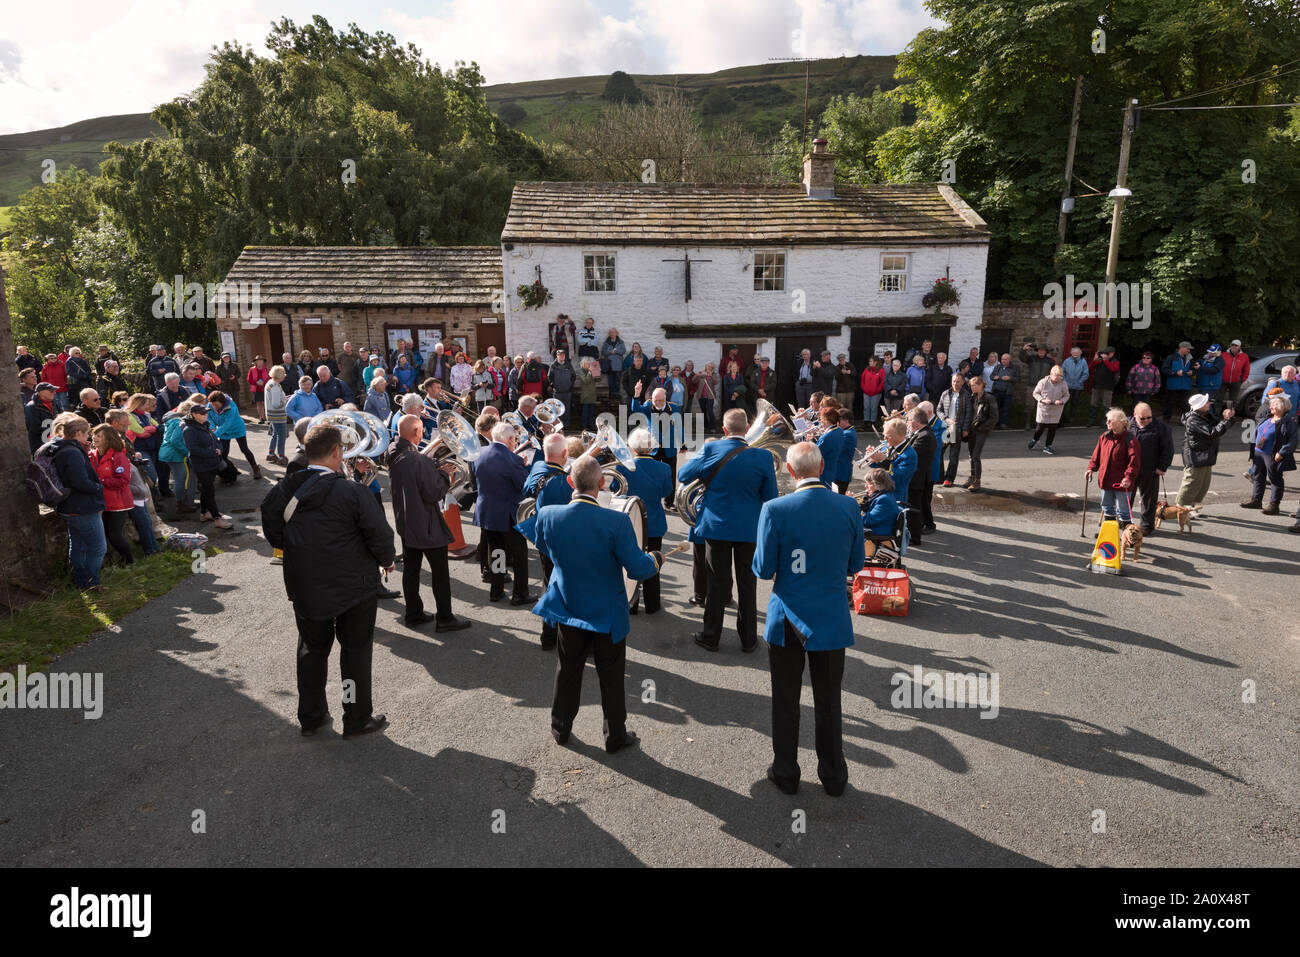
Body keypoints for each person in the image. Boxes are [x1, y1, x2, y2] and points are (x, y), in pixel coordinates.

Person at [261, 423, 397, 738]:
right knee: (355, 653)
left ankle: (311, 715)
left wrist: (299, 550)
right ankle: (356, 717)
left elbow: (273, 531)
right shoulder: (351, 491)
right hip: (354, 587)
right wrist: (386, 561)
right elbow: (379, 535)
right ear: (337, 452)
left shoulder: (283, 489)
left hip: (305, 585)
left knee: (311, 649)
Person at [532, 454, 661, 752]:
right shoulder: (615, 521)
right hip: (606, 611)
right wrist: (655, 558)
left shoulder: (548, 514)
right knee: (611, 676)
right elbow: (638, 569)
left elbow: (542, 546)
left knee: (567, 670)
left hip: (568, 604)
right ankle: (615, 736)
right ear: (603, 484)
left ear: (569, 482)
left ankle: (560, 728)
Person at [754, 441, 862, 796]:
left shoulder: (775, 508)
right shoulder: (848, 506)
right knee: (829, 701)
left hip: (788, 617)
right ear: (822, 466)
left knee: (785, 699)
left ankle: (785, 772)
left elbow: (763, 567)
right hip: (830, 616)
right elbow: (856, 565)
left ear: (789, 471)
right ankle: (833, 776)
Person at [678, 408, 778, 653]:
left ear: (724, 430)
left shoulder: (712, 449)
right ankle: (749, 640)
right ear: (747, 429)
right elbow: (770, 497)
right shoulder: (764, 457)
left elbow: (682, 474)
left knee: (716, 583)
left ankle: (711, 637)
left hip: (717, 527)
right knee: (747, 584)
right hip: (748, 529)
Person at [387, 414, 472, 631]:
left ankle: (413, 613)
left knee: (412, 570)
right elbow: (433, 492)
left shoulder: (393, 451)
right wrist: (444, 475)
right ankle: (445, 618)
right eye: (421, 430)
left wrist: (431, 467)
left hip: (406, 521)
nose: (423, 433)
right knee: (440, 574)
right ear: (415, 432)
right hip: (426, 524)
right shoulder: (417, 460)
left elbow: (415, 480)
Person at [523, 433, 575, 648]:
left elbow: (527, 489)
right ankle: (564, 636)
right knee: (568, 589)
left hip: (544, 538)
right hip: (566, 542)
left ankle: (548, 636)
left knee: (548, 583)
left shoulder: (537, 468)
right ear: (564, 454)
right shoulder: (564, 482)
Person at [616, 428, 673, 616]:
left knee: (629, 562)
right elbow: (666, 493)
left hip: (630, 520)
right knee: (654, 561)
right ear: (652, 448)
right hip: (654, 521)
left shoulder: (622, 466)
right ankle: (652, 603)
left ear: (632, 448)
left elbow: (617, 491)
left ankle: (631, 603)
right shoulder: (664, 468)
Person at [475, 421, 533, 604]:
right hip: (507, 512)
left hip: (487, 510)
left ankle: (496, 590)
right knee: (519, 554)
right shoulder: (513, 459)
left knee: (496, 552)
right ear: (509, 439)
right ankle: (520, 594)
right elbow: (523, 487)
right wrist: (522, 467)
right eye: (514, 439)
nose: (515, 442)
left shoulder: (479, 453)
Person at [49, 413, 107, 589]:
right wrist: (98, 487)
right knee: (98, 548)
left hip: (69, 506)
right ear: (79, 433)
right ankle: (90, 582)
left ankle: (80, 580)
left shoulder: (61, 447)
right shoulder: (72, 452)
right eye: (87, 433)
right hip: (81, 507)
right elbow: (80, 481)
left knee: (79, 546)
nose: (89, 436)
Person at [1176, 393, 1236, 508]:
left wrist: (1228, 418)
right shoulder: (1193, 419)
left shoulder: (1205, 415)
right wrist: (1226, 420)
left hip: (1205, 453)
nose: (1209, 403)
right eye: (1206, 402)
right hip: (1195, 454)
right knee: (1191, 481)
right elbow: (1213, 433)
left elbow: (1220, 425)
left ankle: (1191, 506)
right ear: (1200, 405)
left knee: (1203, 483)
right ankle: (1182, 507)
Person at [89, 423, 136, 566]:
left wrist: (100, 481)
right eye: (94, 435)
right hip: (100, 502)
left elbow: (122, 480)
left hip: (118, 503)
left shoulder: (118, 457)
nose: (94, 438)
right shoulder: (91, 455)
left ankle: (129, 561)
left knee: (114, 535)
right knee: (102, 535)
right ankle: (112, 561)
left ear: (108, 439)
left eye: (99, 436)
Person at [1242, 394, 1297, 515]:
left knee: (1275, 479)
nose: (1271, 407)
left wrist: (1282, 452)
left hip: (1272, 454)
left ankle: (1274, 505)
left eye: (1274, 406)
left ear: (1282, 408)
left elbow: (1293, 441)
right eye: (1271, 405)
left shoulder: (1288, 422)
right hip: (1259, 453)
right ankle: (1256, 500)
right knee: (1258, 476)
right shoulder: (1268, 418)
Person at [181, 404, 233, 529]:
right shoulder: (189, 430)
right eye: (202, 413)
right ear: (193, 415)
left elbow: (215, 440)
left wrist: (219, 448)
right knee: (209, 491)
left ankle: (204, 513)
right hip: (201, 464)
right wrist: (213, 452)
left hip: (212, 463)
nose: (205, 415)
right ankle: (217, 518)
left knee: (206, 489)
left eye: (206, 412)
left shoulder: (205, 425)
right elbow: (193, 449)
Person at [1086, 409, 1141, 526]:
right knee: (1107, 507)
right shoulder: (1104, 437)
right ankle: (1110, 537)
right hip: (1105, 479)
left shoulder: (1130, 439)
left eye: (1110, 420)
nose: (1107, 423)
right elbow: (1096, 455)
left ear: (1121, 422)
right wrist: (1091, 468)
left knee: (1124, 512)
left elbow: (1134, 461)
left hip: (1122, 482)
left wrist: (1128, 477)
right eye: (1107, 420)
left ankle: (1127, 539)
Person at [631, 383, 681, 509]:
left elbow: (679, 426)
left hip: (669, 447)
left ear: (665, 398)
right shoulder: (648, 406)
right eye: (655, 400)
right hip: (653, 448)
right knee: (652, 475)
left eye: (660, 400)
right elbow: (636, 409)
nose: (658, 403)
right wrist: (637, 394)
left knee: (670, 475)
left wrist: (683, 443)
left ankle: (669, 502)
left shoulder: (674, 408)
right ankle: (653, 500)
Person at [1128, 402, 1173, 534]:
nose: (1147, 420)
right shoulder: (1126, 425)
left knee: (1149, 499)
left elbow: (1168, 449)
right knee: (1126, 498)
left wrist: (1162, 466)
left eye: (1149, 417)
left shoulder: (1161, 428)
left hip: (1150, 469)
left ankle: (1147, 526)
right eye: (1143, 418)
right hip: (1129, 470)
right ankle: (1124, 522)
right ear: (1135, 415)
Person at [208, 390, 262, 481]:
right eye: (213, 404)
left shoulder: (231, 407)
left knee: (244, 449)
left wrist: (213, 435)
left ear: (223, 402)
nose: (214, 407)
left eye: (216, 405)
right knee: (223, 453)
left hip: (237, 429)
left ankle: (255, 468)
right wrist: (212, 426)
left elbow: (227, 425)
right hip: (223, 431)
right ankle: (231, 470)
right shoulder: (210, 405)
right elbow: (208, 417)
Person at [903, 408, 935, 546]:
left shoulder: (925, 436)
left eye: (909, 420)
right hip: (916, 477)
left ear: (915, 422)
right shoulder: (920, 433)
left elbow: (910, 454)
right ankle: (912, 534)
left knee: (913, 510)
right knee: (913, 508)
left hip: (917, 478)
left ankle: (914, 538)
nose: (908, 423)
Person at [158, 398, 196, 511]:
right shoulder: (180, 422)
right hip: (175, 454)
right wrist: (187, 451)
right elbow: (175, 440)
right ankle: (181, 503)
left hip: (168, 453)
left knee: (179, 478)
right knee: (181, 479)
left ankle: (181, 501)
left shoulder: (173, 420)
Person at [937, 373, 972, 486]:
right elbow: (939, 410)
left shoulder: (966, 395)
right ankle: (939, 476)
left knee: (953, 455)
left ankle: (949, 478)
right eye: (953, 381)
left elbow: (968, 413)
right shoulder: (945, 394)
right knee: (939, 452)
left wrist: (966, 428)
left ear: (962, 382)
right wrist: (946, 419)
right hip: (945, 427)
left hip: (958, 429)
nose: (955, 384)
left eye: (957, 381)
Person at [965, 376, 997, 492]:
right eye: (971, 385)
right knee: (971, 456)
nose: (972, 388)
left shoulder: (989, 398)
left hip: (981, 431)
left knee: (975, 456)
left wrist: (982, 428)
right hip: (972, 430)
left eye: (974, 385)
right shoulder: (973, 397)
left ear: (981, 385)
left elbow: (994, 418)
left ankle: (977, 481)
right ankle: (972, 477)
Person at [1028, 365, 1070, 454]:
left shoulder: (1063, 383)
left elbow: (1066, 395)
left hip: (1056, 410)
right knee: (1040, 428)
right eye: (1056, 376)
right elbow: (1035, 393)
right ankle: (1035, 439)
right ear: (1051, 374)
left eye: (1060, 376)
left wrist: (1061, 401)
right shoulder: (1043, 382)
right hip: (1044, 409)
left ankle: (1048, 446)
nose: (1058, 378)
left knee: (1052, 428)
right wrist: (1042, 400)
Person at [1019, 341, 1055, 428]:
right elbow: (1022, 358)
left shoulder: (1050, 361)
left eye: (1042, 350)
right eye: (1039, 350)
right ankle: (1027, 423)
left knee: (1042, 406)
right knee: (1029, 405)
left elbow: (1054, 373)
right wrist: (1023, 350)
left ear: (1046, 351)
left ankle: (1039, 423)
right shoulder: (1032, 358)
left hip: (1045, 387)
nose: (1041, 352)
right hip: (1032, 385)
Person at [862, 468, 901, 537]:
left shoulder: (884, 499)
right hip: (875, 528)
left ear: (878, 485)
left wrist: (853, 505)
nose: (865, 486)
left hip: (878, 531)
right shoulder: (880, 496)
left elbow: (868, 521)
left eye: (869, 484)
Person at [1162, 342, 1196, 421]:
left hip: (1185, 385)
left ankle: (1185, 420)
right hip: (1173, 385)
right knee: (1169, 403)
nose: (1189, 351)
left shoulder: (1190, 359)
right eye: (1188, 349)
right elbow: (1164, 369)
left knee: (1185, 403)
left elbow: (1194, 369)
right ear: (1182, 348)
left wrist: (1192, 372)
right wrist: (1175, 373)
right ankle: (1166, 419)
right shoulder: (1171, 357)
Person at [1086, 347, 1120, 427]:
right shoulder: (1099, 361)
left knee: (1106, 405)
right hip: (1096, 386)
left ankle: (1105, 422)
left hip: (1108, 387)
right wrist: (1094, 360)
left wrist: (1106, 361)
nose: (1105, 355)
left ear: (1112, 353)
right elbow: (1089, 369)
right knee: (1094, 404)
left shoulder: (1115, 361)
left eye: (1107, 353)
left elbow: (1113, 369)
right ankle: (1091, 420)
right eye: (1104, 353)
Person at [264, 366, 290, 465]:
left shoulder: (270, 383)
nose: (284, 376)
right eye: (283, 374)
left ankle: (271, 453)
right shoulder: (275, 386)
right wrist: (285, 401)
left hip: (272, 414)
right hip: (277, 415)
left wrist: (284, 398)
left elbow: (275, 400)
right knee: (281, 435)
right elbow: (276, 404)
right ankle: (281, 456)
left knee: (275, 434)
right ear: (279, 375)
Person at [25, 382, 59, 454]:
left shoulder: (55, 403)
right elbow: (34, 427)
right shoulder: (31, 407)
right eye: (51, 391)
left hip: (54, 442)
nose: (54, 393)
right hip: (40, 446)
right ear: (42, 392)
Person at [1061, 347, 1089, 425]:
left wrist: (1079, 381)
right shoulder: (1066, 361)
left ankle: (1071, 418)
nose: (1075, 355)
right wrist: (1065, 382)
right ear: (1071, 353)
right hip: (1067, 386)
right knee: (1065, 403)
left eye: (1077, 353)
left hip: (1078, 386)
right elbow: (1062, 372)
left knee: (1074, 403)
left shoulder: (1083, 361)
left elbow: (1086, 373)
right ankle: (1063, 418)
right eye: (1074, 353)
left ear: (1080, 353)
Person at [546, 349, 575, 425]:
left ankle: (566, 425)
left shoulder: (569, 365)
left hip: (567, 391)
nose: (562, 356)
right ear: (557, 356)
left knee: (567, 408)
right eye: (560, 355)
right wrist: (554, 386)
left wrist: (570, 385)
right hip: (557, 392)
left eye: (563, 355)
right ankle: (559, 425)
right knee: (558, 409)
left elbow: (573, 376)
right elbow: (549, 377)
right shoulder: (553, 365)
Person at [833, 409, 858, 495]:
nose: (836, 423)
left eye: (838, 421)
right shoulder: (845, 432)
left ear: (846, 421)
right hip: (838, 471)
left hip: (841, 473)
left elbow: (834, 448)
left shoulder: (848, 434)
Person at [990, 353, 1017, 427]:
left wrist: (1010, 378)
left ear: (1009, 360)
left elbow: (1018, 378)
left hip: (1007, 392)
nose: (1003, 361)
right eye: (1002, 359)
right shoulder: (998, 367)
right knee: (995, 408)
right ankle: (995, 422)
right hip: (997, 391)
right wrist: (994, 377)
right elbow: (991, 376)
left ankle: (1003, 423)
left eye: (1005, 359)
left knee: (1006, 408)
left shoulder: (1014, 368)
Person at [1221, 340, 1250, 408]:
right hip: (1223, 381)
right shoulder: (1224, 355)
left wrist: (1242, 379)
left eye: (1236, 345)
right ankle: (1216, 415)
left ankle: (1230, 415)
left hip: (1236, 382)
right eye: (1232, 345)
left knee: (1232, 401)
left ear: (1239, 347)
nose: (1234, 346)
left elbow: (1247, 369)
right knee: (1218, 399)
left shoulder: (1244, 356)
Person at [601, 330, 626, 401]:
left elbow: (623, 351)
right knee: (610, 381)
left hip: (618, 365)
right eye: (611, 333)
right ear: (609, 334)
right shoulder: (606, 342)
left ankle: (616, 394)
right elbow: (603, 352)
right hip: (609, 365)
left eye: (614, 332)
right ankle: (611, 394)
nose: (612, 334)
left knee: (617, 380)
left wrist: (615, 351)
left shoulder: (621, 342)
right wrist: (610, 352)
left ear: (617, 333)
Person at [575, 358, 598, 431]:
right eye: (588, 363)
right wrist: (590, 372)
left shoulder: (590, 370)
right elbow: (585, 381)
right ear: (584, 364)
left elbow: (598, 379)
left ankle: (591, 425)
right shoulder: (581, 371)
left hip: (592, 394)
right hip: (586, 395)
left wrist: (596, 372)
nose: (589, 365)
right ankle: (583, 426)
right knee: (585, 412)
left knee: (592, 412)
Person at [860, 356, 884, 423]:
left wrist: (877, 390)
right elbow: (862, 379)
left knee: (873, 408)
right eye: (869, 361)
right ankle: (866, 421)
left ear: (875, 362)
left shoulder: (881, 370)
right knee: (866, 408)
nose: (869, 362)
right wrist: (864, 389)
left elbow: (882, 382)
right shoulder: (866, 369)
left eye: (871, 361)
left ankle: (872, 422)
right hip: (866, 393)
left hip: (876, 394)